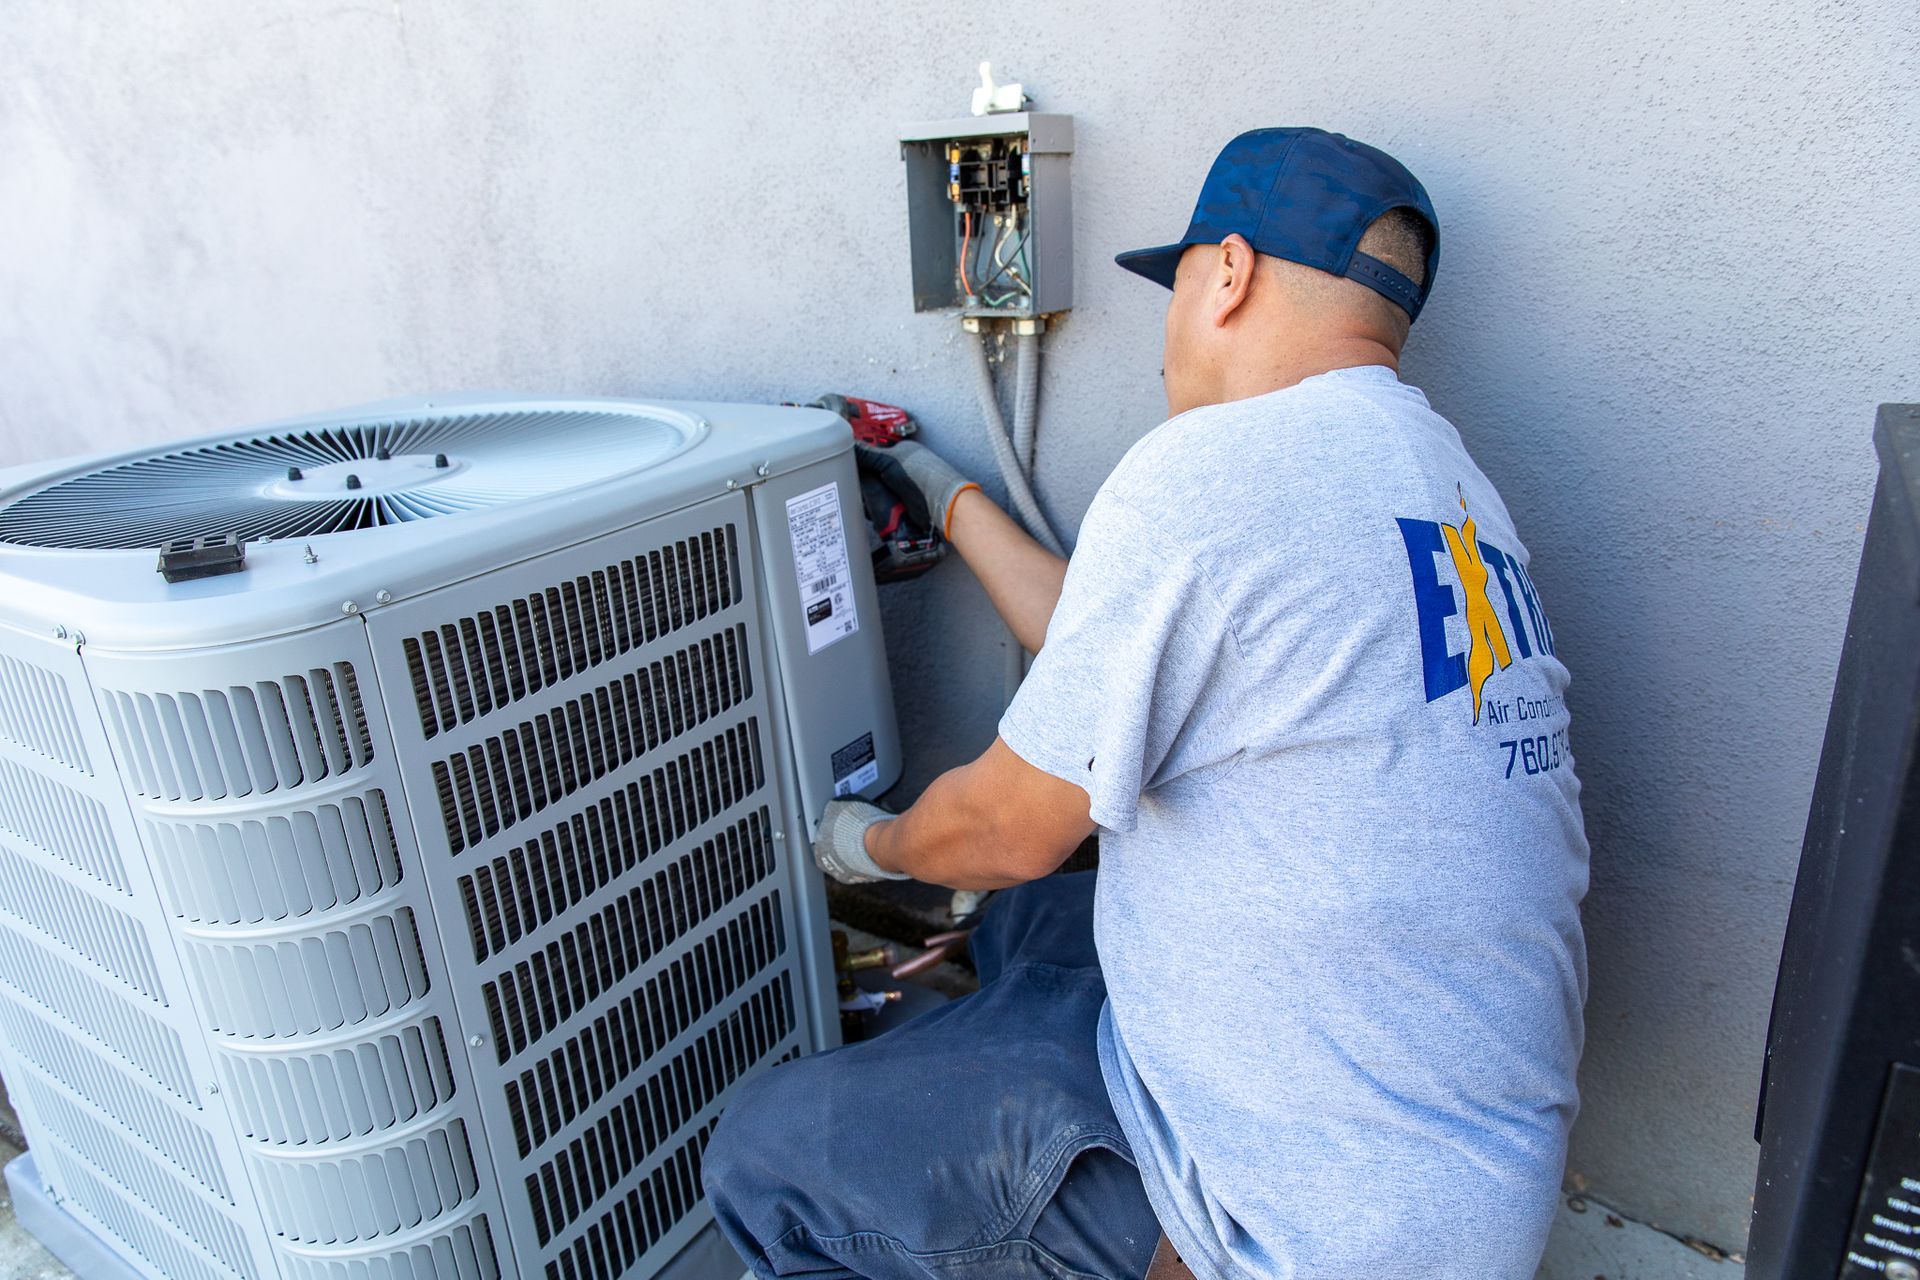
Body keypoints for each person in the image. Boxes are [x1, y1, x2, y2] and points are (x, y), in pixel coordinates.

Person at [703, 127, 1588, 1280]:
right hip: (1459, 1188)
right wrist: (941, 485)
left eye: (1176, 285)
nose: (1166, 331)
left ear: (1230, 272)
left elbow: (1006, 830)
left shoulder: (1215, 468)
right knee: (1024, 930)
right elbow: (1110, 640)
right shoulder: (1446, 483)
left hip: (1288, 1223)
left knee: (761, 1156)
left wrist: (862, 844)